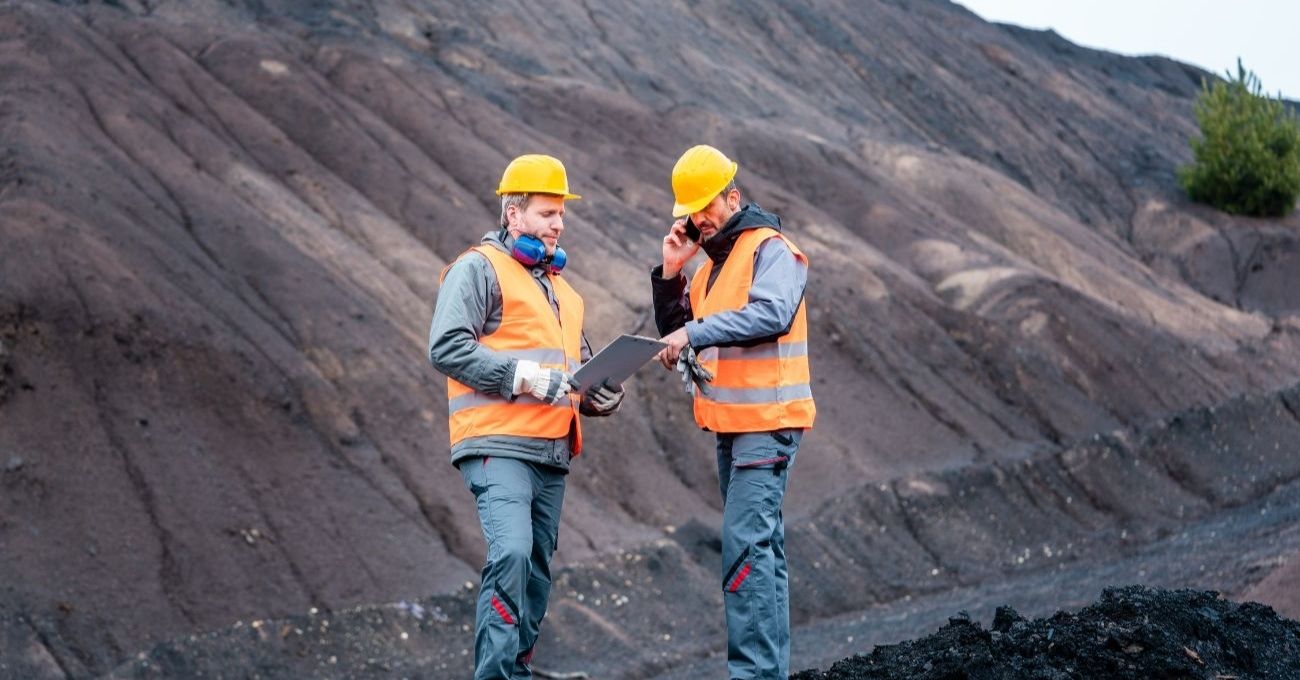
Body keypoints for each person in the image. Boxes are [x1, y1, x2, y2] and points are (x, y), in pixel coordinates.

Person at [428, 154, 624, 680]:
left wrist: (596, 394)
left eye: (561, 213)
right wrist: (524, 377)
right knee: (512, 555)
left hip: (552, 451)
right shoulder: (478, 268)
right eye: (546, 212)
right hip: (497, 444)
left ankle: (516, 670)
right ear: (513, 214)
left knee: (536, 575)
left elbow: (572, 373)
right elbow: (446, 346)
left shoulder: (565, 293)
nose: (558, 223)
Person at [650, 145, 815, 679]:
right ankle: (770, 672)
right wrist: (671, 273)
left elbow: (771, 313)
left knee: (745, 547)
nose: (699, 218)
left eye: (707, 205)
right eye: (691, 210)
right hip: (731, 428)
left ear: (734, 197)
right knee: (761, 548)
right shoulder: (706, 272)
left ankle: (756, 675)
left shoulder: (772, 249)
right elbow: (680, 331)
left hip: (768, 424)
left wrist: (691, 331)